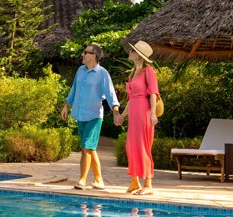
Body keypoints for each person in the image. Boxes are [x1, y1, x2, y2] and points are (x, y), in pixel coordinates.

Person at [60, 43, 120, 190]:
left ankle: (82, 180)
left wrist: (116, 112)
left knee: (85, 148)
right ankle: (99, 180)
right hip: (80, 115)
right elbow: (74, 89)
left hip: (94, 116)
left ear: (93, 56)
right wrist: (66, 105)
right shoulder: (80, 70)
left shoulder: (102, 73)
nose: (83, 54)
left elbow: (111, 94)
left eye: (85, 52)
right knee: (91, 149)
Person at [115, 41, 159, 195]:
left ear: (139, 55)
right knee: (131, 146)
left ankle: (148, 185)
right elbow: (131, 98)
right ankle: (135, 181)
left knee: (143, 147)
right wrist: (122, 115)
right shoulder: (134, 73)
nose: (130, 52)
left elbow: (153, 93)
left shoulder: (148, 71)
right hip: (134, 112)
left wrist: (153, 113)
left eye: (132, 50)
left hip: (144, 112)